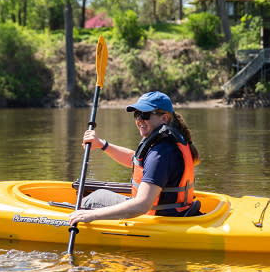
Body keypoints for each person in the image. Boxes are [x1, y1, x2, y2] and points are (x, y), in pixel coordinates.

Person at [69, 91, 200, 226]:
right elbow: (136, 160)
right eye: (137, 115)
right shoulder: (167, 143)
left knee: (94, 199)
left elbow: (142, 205)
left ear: (165, 118)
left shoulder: (160, 153)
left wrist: (91, 215)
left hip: (157, 220)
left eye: (145, 115)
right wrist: (102, 145)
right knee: (100, 194)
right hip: (177, 212)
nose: (139, 120)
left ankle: (73, 216)